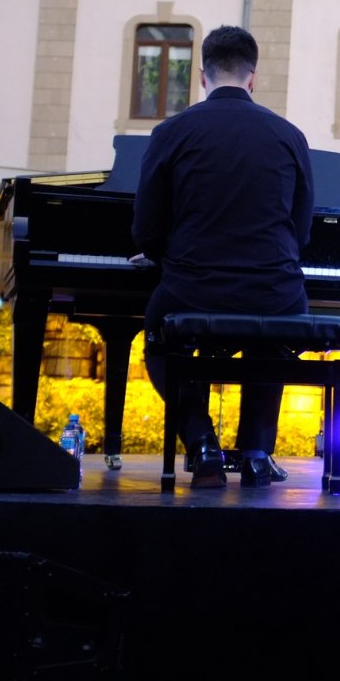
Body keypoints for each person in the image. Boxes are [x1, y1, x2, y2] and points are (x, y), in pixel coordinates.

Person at [133, 25, 314, 488]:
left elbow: (146, 228)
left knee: (157, 338)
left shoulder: (171, 132)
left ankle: (201, 442)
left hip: (194, 287)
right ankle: (255, 452)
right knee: (273, 333)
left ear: (201, 76)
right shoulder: (289, 136)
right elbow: (301, 231)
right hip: (274, 289)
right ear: (253, 78)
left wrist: (166, 256)